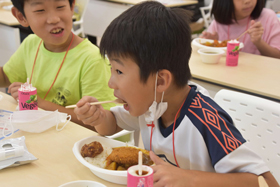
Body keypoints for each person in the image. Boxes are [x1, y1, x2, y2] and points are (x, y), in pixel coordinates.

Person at [74, 1, 279, 186]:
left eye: (119, 71)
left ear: (161, 81)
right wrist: (99, 117)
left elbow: (263, 182)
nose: (111, 83)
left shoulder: (206, 120)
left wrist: (189, 177)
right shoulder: (150, 104)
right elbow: (110, 127)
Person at [0, 0, 115, 130]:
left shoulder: (92, 59)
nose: (54, 19)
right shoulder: (31, 44)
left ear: (72, 7)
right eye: (40, 10)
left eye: (60, 7)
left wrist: (40, 103)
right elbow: (5, 76)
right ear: (21, 17)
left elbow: (102, 121)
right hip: (41, 132)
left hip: (74, 141)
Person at [200, 0, 280, 59]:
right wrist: (212, 44)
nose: (247, 1)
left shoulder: (268, 17)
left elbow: (278, 57)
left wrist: (259, 42)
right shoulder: (219, 21)